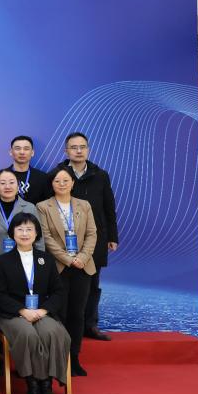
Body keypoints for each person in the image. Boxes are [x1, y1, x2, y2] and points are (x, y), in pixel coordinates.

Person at [0, 212, 70, 394]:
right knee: (28, 335)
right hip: (13, 314)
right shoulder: (3, 261)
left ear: (36, 234)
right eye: (20, 229)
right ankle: (33, 385)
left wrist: (43, 311)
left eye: (29, 229)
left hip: (41, 312)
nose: (24, 233)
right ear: (12, 233)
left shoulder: (46, 259)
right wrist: (22, 310)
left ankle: (47, 385)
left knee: (52, 332)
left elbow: (58, 292)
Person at [56, 132, 119, 342]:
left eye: (82, 147)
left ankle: (90, 325)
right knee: (65, 283)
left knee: (92, 283)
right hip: (65, 239)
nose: (78, 151)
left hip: (95, 238)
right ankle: (66, 326)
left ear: (88, 150)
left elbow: (109, 207)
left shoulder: (100, 175)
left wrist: (112, 236)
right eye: (73, 147)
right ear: (66, 151)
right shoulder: (58, 174)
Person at [36, 166, 97, 376]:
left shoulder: (84, 205)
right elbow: (46, 238)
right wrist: (68, 259)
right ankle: (59, 358)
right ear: (51, 184)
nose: (61, 184)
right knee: (59, 314)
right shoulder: (43, 207)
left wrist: (82, 258)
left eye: (65, 180)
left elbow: (92, 234)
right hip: (58, 267)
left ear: (73, 183)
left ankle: (74, 357)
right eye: (57, 181)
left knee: (77, 314)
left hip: (83, 267)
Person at [0, 170, 42, 258]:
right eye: (3, 183)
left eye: (12, 182)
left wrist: (40, 261)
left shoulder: (30, 208)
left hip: (24, 261)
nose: (7, 186)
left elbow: (39, 240)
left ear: (18, 186)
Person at [8, 135, 51, 205]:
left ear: (32, 153)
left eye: (26, 149)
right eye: (17, 148)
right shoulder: (2, 177)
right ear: (10, 152)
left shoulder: (43, 178)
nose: (22, 152)